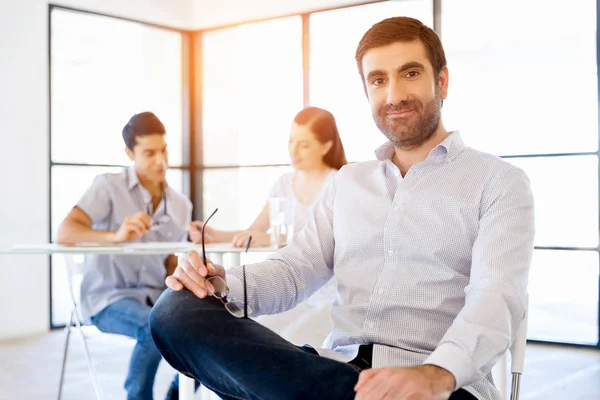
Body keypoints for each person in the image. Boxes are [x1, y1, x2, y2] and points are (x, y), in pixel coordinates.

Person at [149, 16, 534, 400]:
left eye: (411, 73)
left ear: (442, 81)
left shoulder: (499, 182)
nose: (394, 95)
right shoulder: (347, 182)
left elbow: (496, 295)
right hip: (334, 370)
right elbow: (295, 269)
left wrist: (435, 374)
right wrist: (218, 284)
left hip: (437, 386)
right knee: (176, 308)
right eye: (378, 80)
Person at [56, 112, 198, 400]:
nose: (160, 161)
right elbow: (65, 233)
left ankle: (176, 394)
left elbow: (169, 260)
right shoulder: (108, 186)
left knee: (208, 326)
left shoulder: (181, 204)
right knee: (153, 327)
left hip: (157, 296)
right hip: (108, 299)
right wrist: (115, 237)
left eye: (164, 150)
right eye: (149, 153)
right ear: (129, 153)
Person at [188, 106, 347, 248]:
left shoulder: (339, 183)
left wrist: (273, 238)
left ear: (326, 147)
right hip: (293, 275)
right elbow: (254, 232)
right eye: (291, 140)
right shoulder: (284, 183)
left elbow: (334, 240)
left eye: (304, 145)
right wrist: (214, 235)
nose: (293, 150)